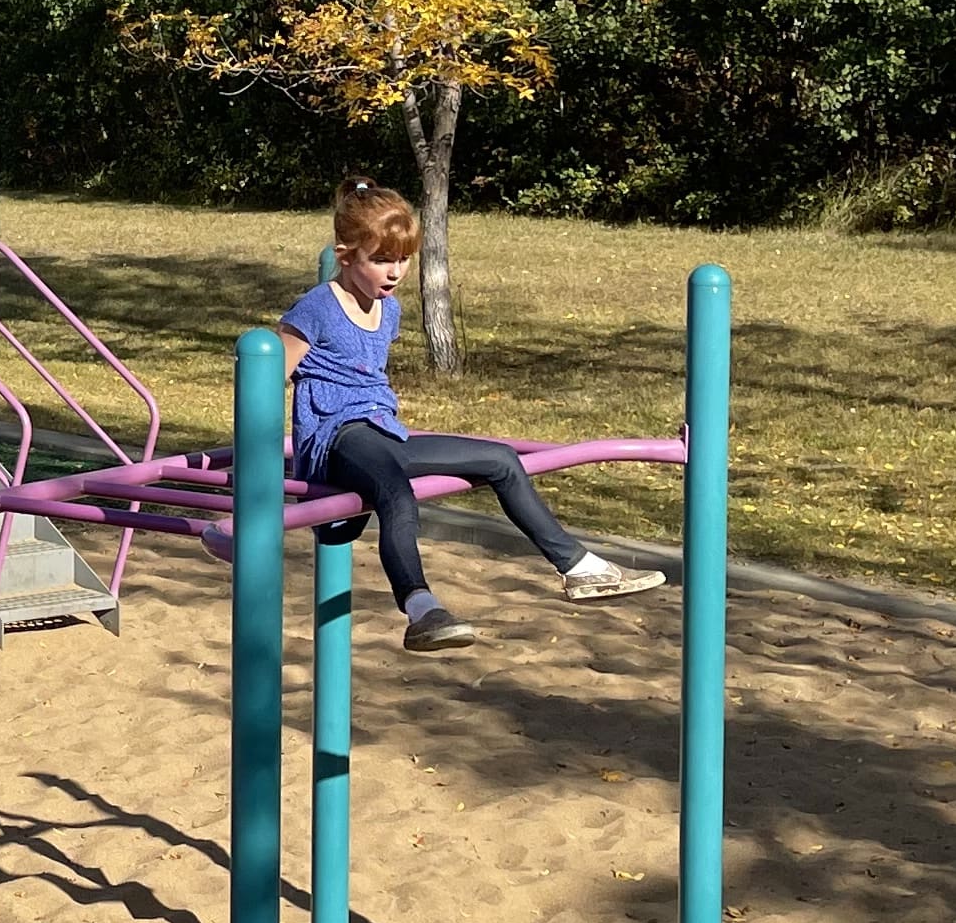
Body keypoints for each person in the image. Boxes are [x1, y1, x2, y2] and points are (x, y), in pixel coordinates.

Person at [271, 181, 666, 651]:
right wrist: (264, 466)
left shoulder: (388, 309)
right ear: (346, 255)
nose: (395, 271)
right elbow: (264, 375)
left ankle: (579, 568)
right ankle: (421, 609)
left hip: (382, 432)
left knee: (500, 459)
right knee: (396, 492)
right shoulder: (316, 309)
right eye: (382, 259)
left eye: (403, 259)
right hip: (334, 436)